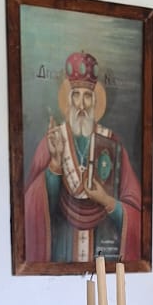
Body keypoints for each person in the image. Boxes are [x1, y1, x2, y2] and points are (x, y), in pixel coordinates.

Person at [24, 51, 142, 265]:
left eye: (87, 96)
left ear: (95, 102)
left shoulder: (112, 143)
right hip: (62, 249)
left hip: (103, 246)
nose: (81, 104)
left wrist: (106, 201)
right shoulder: (53, 140)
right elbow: (34, 207)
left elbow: (135, 211)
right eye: (76, 95)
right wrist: (55, 166)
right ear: (68, 100)